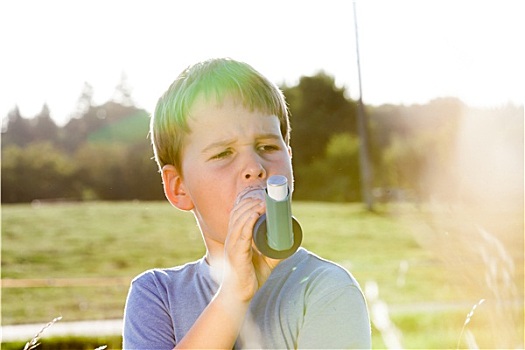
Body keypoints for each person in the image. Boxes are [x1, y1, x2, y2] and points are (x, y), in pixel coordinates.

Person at [122, 58, 371, 349]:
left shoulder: (326, 288)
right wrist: (233, 294)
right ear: (179, 187)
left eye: (267, 147)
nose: (254, 166)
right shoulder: (156, 294)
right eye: (223, 153)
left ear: (290, 163)